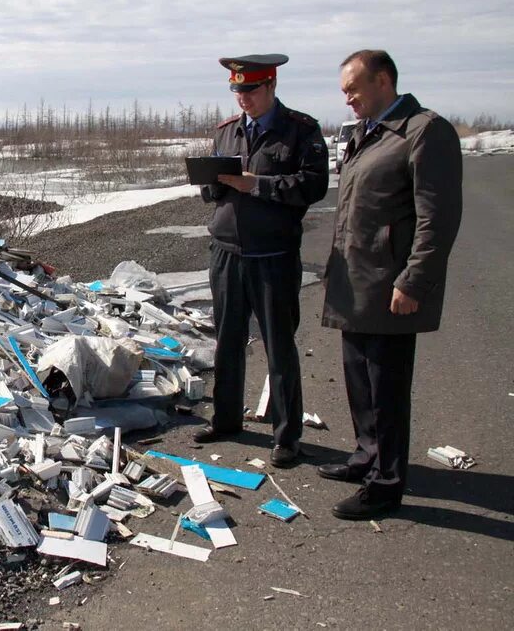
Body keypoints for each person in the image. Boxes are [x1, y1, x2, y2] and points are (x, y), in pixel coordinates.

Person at [320, 49, 462, 519]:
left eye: (353, 89)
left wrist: (414, 280)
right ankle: (366, 458)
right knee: (360, 383)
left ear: (383, 80)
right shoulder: (368, 134)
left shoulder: (424, 131)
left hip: (389, 286)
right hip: (356, 282)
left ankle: (386, 484)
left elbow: (437, 219)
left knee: (386, 391)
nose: (348, 100)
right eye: (344, 92)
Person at [195, 54, 329, 468]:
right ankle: (227, 419)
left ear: (270, 86)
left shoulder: (300, 130)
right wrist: (212, 184)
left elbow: (313, 185)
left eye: (249, 90)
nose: (242, 99)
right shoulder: (228, 132)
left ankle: (287, 436)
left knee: (279, 346)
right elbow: (210, 192)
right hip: (227, 253)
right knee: (228, 341)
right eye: (236, 91)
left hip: (273, 255)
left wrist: (257, 185)